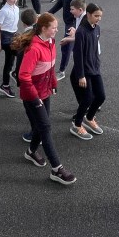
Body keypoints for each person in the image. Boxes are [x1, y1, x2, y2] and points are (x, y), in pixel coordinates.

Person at [16, 13, 76, 186]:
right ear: (43, 28)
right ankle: (57, 169)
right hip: (32, 96)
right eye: (54, 28)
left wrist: (54, 83)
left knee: (39, 126)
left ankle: (30, 152)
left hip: (45, 91)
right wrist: (35, 98)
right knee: (45, 127)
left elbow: (50, 67)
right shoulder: (34, 48)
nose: (57, 30)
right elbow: (23, 76)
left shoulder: (50, 42)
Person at [70, 2, 106, 141]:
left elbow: (95, 50)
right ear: (89, 14)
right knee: (87, 99)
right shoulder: (81, 32)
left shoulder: (97, 28)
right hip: (84, 72)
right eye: (96, 16)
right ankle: (77, 125)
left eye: (100, 16)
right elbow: (77, 55)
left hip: (94, 68)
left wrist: (97, 64)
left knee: (101, 96)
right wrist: (81, 75)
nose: (99, 19)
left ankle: (89, 118)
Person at [48, 0, 84, 79]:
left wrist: (75, 26)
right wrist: (49, 13)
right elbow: (60, 2)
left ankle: (62, 71)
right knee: (73, 46)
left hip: (73, 22)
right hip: (68, 21)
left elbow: (81, 10)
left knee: (66, 46)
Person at [0, 0, 20, 96]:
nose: (14, 0)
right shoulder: (3, 11)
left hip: (14, 35)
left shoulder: (17, 8)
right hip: (5, 37)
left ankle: (5, 85)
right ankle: (15, 73)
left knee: (9, 62)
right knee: (21, 54)